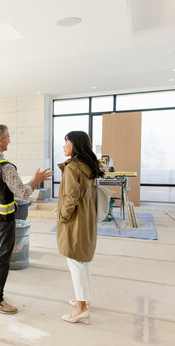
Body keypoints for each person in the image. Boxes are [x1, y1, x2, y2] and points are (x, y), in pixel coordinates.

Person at [0, 124, 52, 315]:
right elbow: (22, 192)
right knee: (2, 257)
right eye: (7, 137)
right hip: (2, 218)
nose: (9, 141)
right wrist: (36, 180)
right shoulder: (5, 166)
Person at [57, 131, 104, 325]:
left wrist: (62, 216)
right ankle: (83, 299)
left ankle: (81, 308)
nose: (64, 146)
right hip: (87, 218)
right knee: (83, 260)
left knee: (75, 261)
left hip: (75, 219)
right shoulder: (90, 166)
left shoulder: (73, 168)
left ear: (74, 144)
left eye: (66, 142)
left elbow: (71, 197)